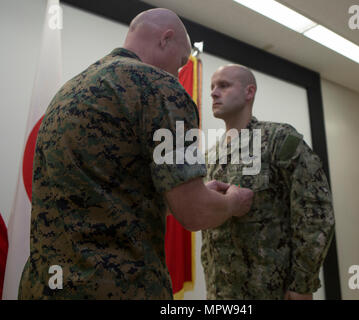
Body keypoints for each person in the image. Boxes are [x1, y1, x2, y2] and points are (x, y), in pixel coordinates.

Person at [18, 9, 253, 300]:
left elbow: (107, 189)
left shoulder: (68, 91)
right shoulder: (161, 89)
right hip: (117, 287)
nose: (178, 73)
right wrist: (232, 203)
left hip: (43, 286)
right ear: (166, 39)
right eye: (181, 63)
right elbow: (195, 212)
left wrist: (191, 190)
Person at [201, 64, 335, 300]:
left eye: (223, 85)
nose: (213, 92)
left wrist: (302, 284)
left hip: (270, 291)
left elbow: (316, 213)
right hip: (220, 292)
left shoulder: (279, 140)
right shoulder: (210, 157)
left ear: (249, 92)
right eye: (212, 86)